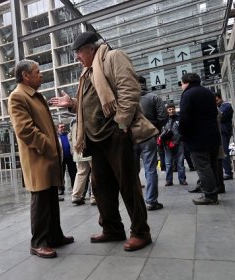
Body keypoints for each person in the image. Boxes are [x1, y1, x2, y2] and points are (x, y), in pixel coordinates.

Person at [50, 31, 156, 252]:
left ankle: (140, 232)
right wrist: (72, 104)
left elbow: (129, 90)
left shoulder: (113, 57)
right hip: (95, 139)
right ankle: (112, 228)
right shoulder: (87, 72)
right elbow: (91, 102)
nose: (77, 57)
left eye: (79, 52)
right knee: (101, 188)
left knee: (128, 185)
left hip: (116, 135)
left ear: (91, 48)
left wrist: (121, 124)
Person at [8, 59, 74, 258]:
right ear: (25, 76)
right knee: (40, 199)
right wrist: (48, 145)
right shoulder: (18, 96)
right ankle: (38, 243)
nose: (41, 74)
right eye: (37, 71)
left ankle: (54, 236)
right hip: (38, 156)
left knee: (51, 197)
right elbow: (25, 130)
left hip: (48, 156)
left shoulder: (36, 96)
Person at [179, 73, 221, 205]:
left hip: (197, 137)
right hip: (213, 136)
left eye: (181, 83)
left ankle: (210, 195)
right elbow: (215, 113)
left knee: (203, 166)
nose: (181, 86)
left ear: (186, 82)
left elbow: (184, 118)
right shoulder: (208, 92)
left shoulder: (188, 94)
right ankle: (213, 190)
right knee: (211, 165)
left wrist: (183, 134)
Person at [134, 76, 168, 211]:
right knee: (150, 169)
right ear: (145, 84)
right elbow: (163, 117)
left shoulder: (126, 98)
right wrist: (155, 129)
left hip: (131, 137)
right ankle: (151, 201)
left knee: (132, 171)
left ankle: (135, 202)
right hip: (149, 136)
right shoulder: (154, 97)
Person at [69, 117, 96, 206]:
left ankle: (76, 196)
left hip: (78, 152)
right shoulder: (88, 117)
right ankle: (94, 197)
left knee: (81, 173)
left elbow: (70, 138)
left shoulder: (73, 122)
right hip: (89, 150)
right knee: (94, 173)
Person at [161, 102, 188, 186]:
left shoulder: (179, 118)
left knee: (180, 163)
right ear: (167, 110)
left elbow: (183, 129)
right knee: (168, 163)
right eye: (169, 109)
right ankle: (169, 181)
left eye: (173, 109)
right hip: (167, 144)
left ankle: (182, 180)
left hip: (179, 143)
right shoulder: (163, 120)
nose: (171, 111)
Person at [215, 92, 234, 180]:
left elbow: (220, 116)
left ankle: (228, 172)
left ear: (220, 98)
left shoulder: (227, 106)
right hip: (219, 132)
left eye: (217, 100)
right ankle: (226, 171)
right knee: (221, 153)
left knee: (224, 152)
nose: (216, 102)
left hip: (224, 132)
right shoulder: (218, 108)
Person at [57, 123, 77, 195]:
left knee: (73, 173)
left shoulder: (68, 135)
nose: (63, 128)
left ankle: (74, 188)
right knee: (61, 174)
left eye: (64, 126)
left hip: (70, 157)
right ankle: (61, 189)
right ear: (58, 128)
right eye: (61, 127)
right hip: (62, 158)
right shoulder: (56, 137)